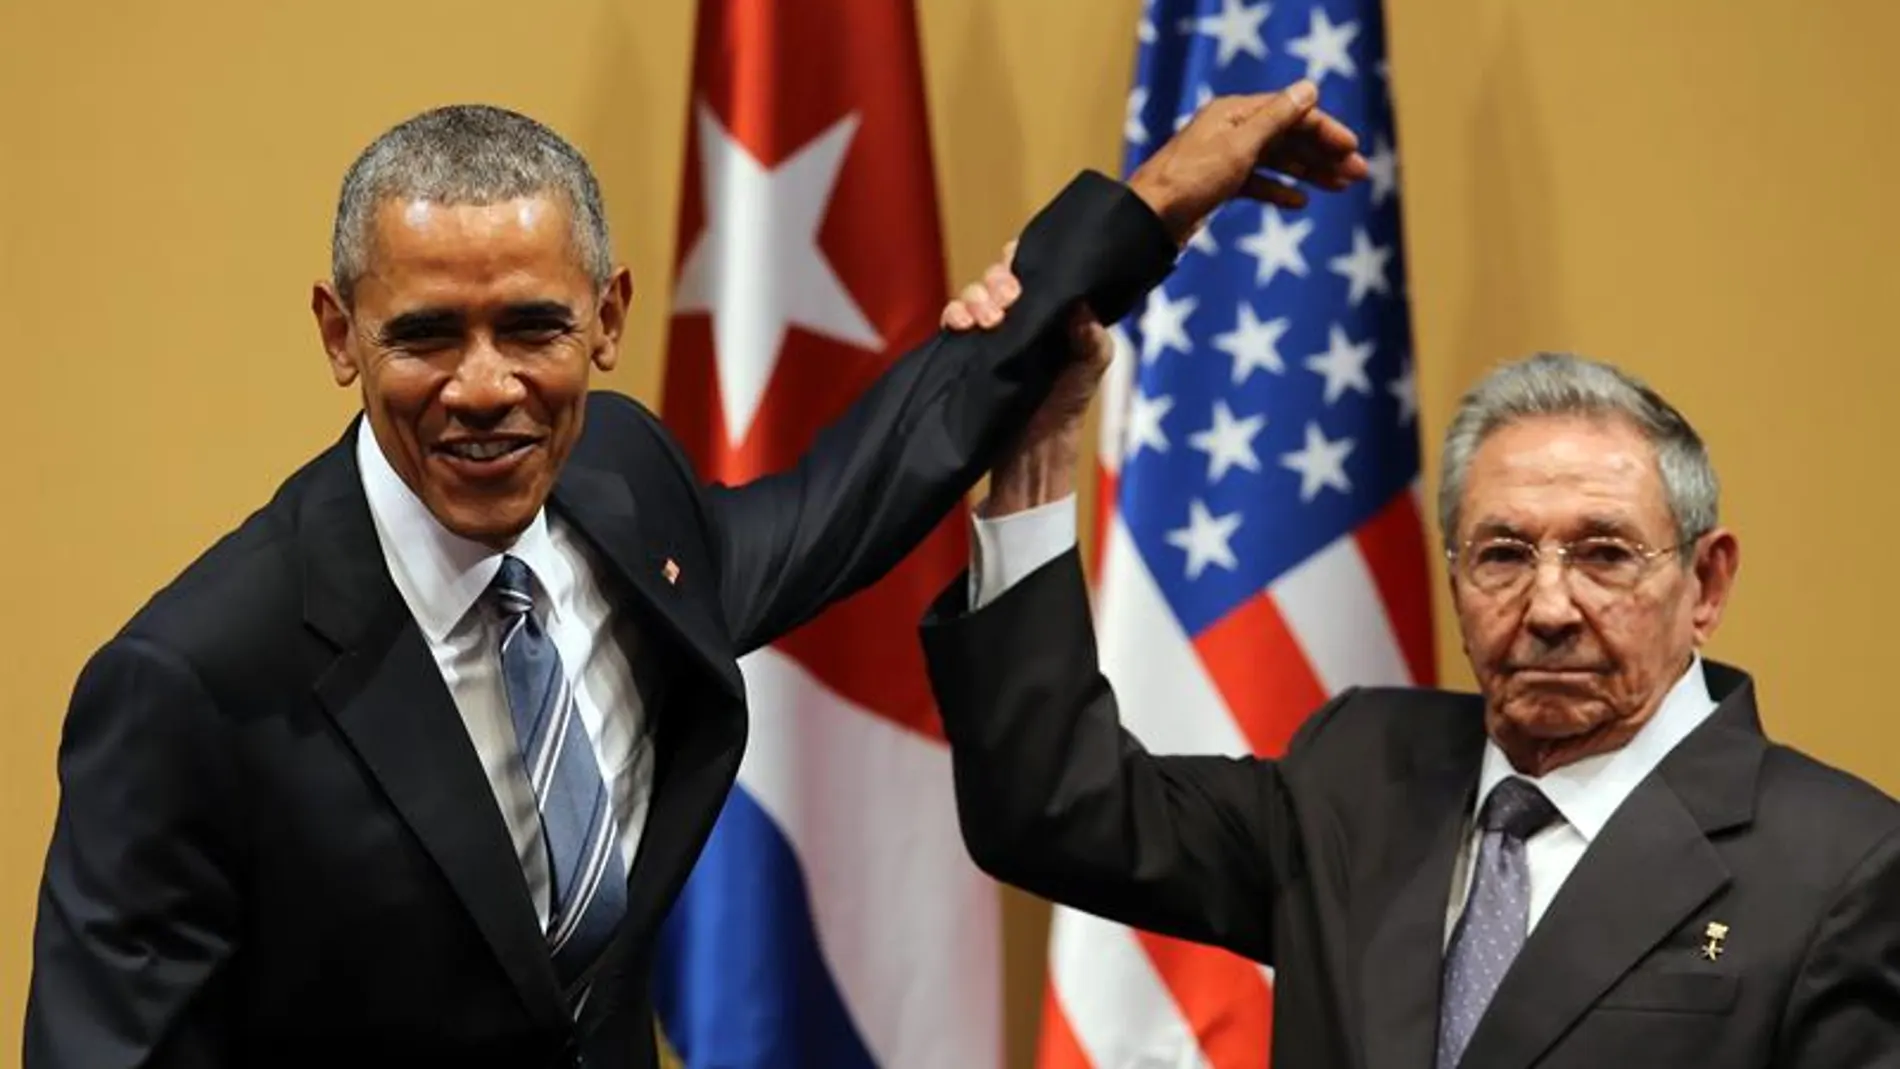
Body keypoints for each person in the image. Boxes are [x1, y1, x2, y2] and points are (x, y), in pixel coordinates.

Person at [23, 86, 1367, 1068]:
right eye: (426, 335)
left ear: (607, 319)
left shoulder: (623, 493)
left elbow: (874, 474)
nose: (485, 387)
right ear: (338, 333)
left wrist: (1146, 210)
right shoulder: (191, 681)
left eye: (534, 327)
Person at [920, 270, 1900, 1066]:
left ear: (1705, 583)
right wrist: (1039, 456)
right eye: (1503, 554)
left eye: (1604, 554)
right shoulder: (1360, 769)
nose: (1550, 607)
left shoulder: (1842, 864)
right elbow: (1054, 809)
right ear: (1456, 576)